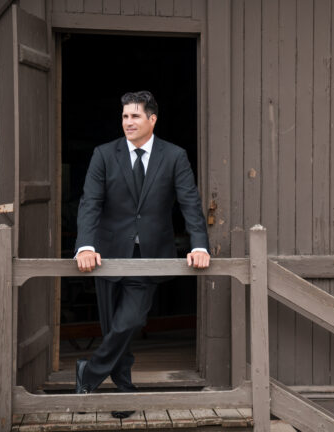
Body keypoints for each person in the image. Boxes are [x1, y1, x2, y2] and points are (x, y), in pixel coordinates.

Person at [74, 90, 210, 418]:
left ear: (152, 119)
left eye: (135, 116)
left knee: (131, 319)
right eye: (124, 116)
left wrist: (199, 244)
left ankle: (88, 373)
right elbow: (90, 202)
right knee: (113, 327)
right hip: (105, 254)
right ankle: (124, 392)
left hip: (149, 254)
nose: (128, 122)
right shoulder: (104, 155)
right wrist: (85, 245)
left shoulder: (174, 156)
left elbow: (189, 202)